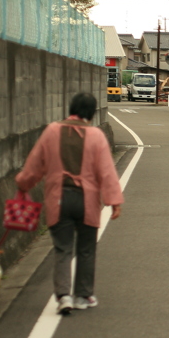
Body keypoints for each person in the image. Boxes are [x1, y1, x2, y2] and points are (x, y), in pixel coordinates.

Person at [16, 93, 124, 315]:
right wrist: (114, 201)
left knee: (63, 248)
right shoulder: (96, 136)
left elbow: (34, 165)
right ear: (92, 113)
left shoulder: (52, 131)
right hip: (87, 201)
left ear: (71, 108)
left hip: (58, 199)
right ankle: (83, 296)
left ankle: (64, 296)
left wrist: (23, 184)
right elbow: (107, 172)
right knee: (86, 249)